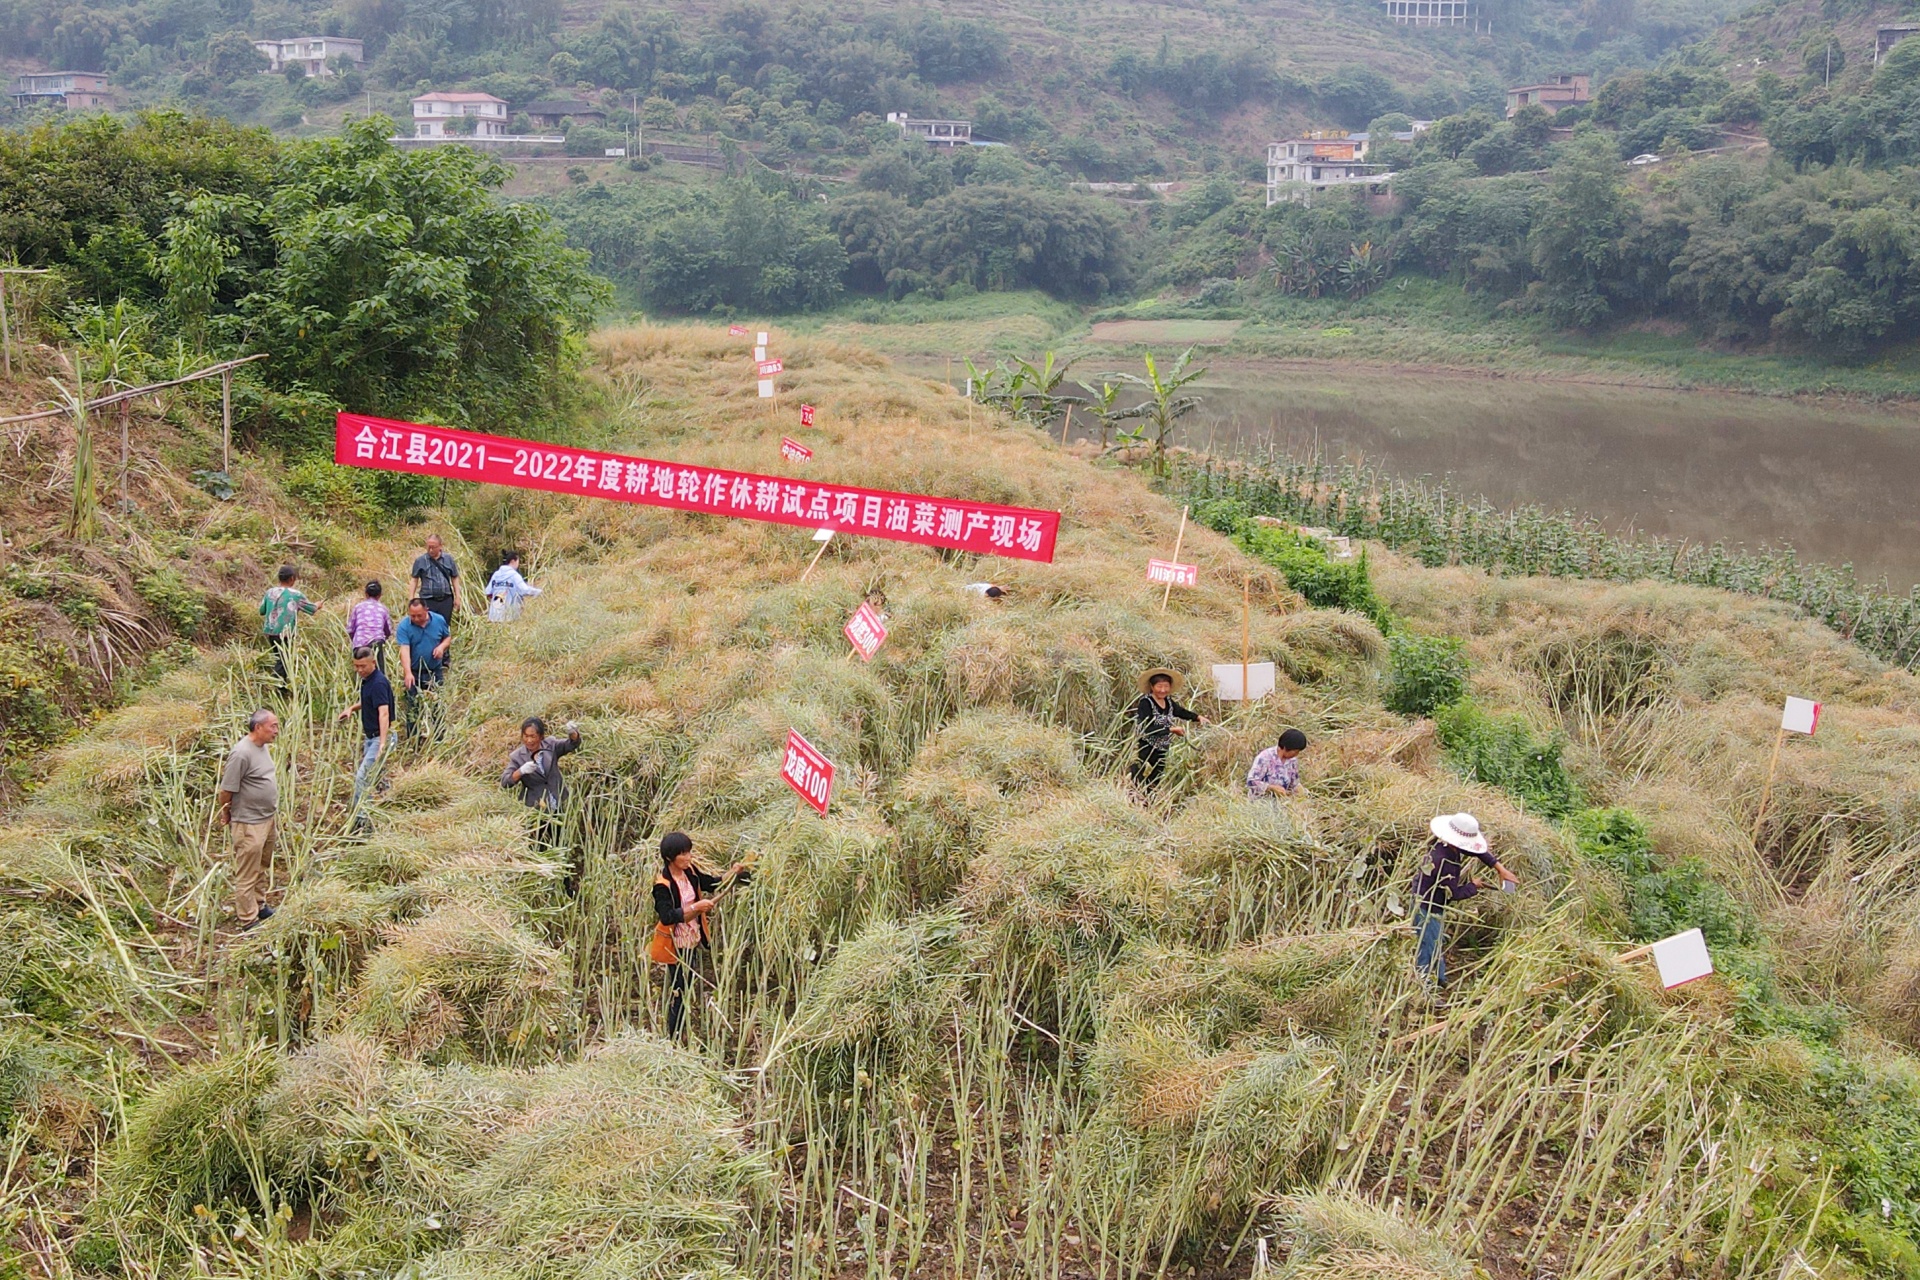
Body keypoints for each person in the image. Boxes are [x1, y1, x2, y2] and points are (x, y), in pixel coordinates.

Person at [650, 832, 750, 1037]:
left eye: (689, 853)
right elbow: (667, 916)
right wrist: (696, 907)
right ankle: (673, 1035)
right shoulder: (663, 885)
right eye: (683, 854)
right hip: (675, 943)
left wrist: (732, 872)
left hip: (693, 938)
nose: (688, 858)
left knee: (687, 985)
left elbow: (711, 884)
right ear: (670, 858)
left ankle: (680, 1030)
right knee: (680, 989)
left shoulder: (691, 872)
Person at [1412, 812, 1519, 994]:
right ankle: (1424, 990)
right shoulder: (1442, 861)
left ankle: (1439, 978)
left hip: (1433, 902)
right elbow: (1454, 894)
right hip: (1426, 905)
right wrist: (1473, 886)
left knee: (1435, 942)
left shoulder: (1447, 846)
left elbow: (1477, 851)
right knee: (1427, 946)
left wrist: (1500, 868)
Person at [216, 709, 280, 929]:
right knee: (247, 870)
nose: (276, 731)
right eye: (273, 726)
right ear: (258, 727)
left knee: (262, 864)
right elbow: (226, 791)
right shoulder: (241, 753)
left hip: (266, 818)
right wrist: (227, 812)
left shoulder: (262, 748)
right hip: (249, 822)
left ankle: (259, 905)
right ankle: (247, 918)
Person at [337, 646, 394, 827]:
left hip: (379, 737)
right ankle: (392, 804)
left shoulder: (378, 682)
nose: (359, 670)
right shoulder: (368, 681)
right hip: (371, 737)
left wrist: (383, 743)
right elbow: (369, 700)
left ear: (373, 663)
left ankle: (362, 819)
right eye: (356, 666)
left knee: (362, 777)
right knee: (377, 777)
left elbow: (383, 713)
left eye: (363, 666)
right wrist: (352, 708)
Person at [1130, 668, 1205, 790]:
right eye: (1159, 686)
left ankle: (1151, 801)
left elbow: (1180, 712)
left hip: (1162, 747)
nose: (1163, 690)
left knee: (1156, 778)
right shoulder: (1146, 703)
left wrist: (1197, 717)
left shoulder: (1168, 701)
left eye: (1166, 686)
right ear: (1152, 686)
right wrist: (1170, 729)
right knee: (1142, 777)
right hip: (1146, 748)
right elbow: (1147, 726)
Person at [395, 597, 451, 738]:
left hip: (434, 671)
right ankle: (413, 739)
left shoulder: (438, 620)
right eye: (412, 615)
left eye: (419, 615)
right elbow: (405, 650)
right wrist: (407, 672)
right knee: (413, 706)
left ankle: (439, 737)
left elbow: (447, 637)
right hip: (415, 673)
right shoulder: (404, 626)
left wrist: (441, 647)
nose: (415, 618)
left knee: (436, 705)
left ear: (426, 610)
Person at [260, 565, 319, 686]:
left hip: (270, 631)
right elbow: (312, 609)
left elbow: (262, 611)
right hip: (285, 632)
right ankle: (277, 686)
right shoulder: (295, 594)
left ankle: (283, 685)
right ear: (292, 578)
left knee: (278, 656)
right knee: (284, 659)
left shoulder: (270, 592)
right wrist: (318, 605)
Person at [410, 535, 461, 626]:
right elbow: (414, 579)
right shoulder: (420, 561)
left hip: (446, 599)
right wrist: (411, 598)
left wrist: (457, 597)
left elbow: (455, 577)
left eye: (433, 547)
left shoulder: (448, 559)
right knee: (429, 625)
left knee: (444, 626)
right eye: (428, 547)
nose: (430, 550)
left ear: (440, 546)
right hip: (428, 600)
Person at [1247, 728, 1310, 798]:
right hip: (1261, 801)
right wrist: (1271, 788)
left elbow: (1294, 784)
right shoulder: (1264, 758)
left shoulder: (1292, 761)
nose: (1296, 754)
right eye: (1295, 752)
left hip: (1282, 802)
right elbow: (1251, 782)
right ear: (1286, 748)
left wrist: (1302, 792)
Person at [346, 580, 395, 672]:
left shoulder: (358, 607)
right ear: (380, 595)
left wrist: (355, 640)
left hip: (359, 643)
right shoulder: (383, 609)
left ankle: (360, 686)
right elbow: (388, 630)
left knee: (360, 671)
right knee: (379, 671)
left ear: (366, 594)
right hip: (376, 642)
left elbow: (350, 629)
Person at [485, 551, 543, 622]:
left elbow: (488, 592)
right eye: (518, 561)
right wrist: (539, 592)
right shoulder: (514, 575)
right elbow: (524, 590)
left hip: (494, 616)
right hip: (508, 617)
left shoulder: (496, 575)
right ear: (513, 561)